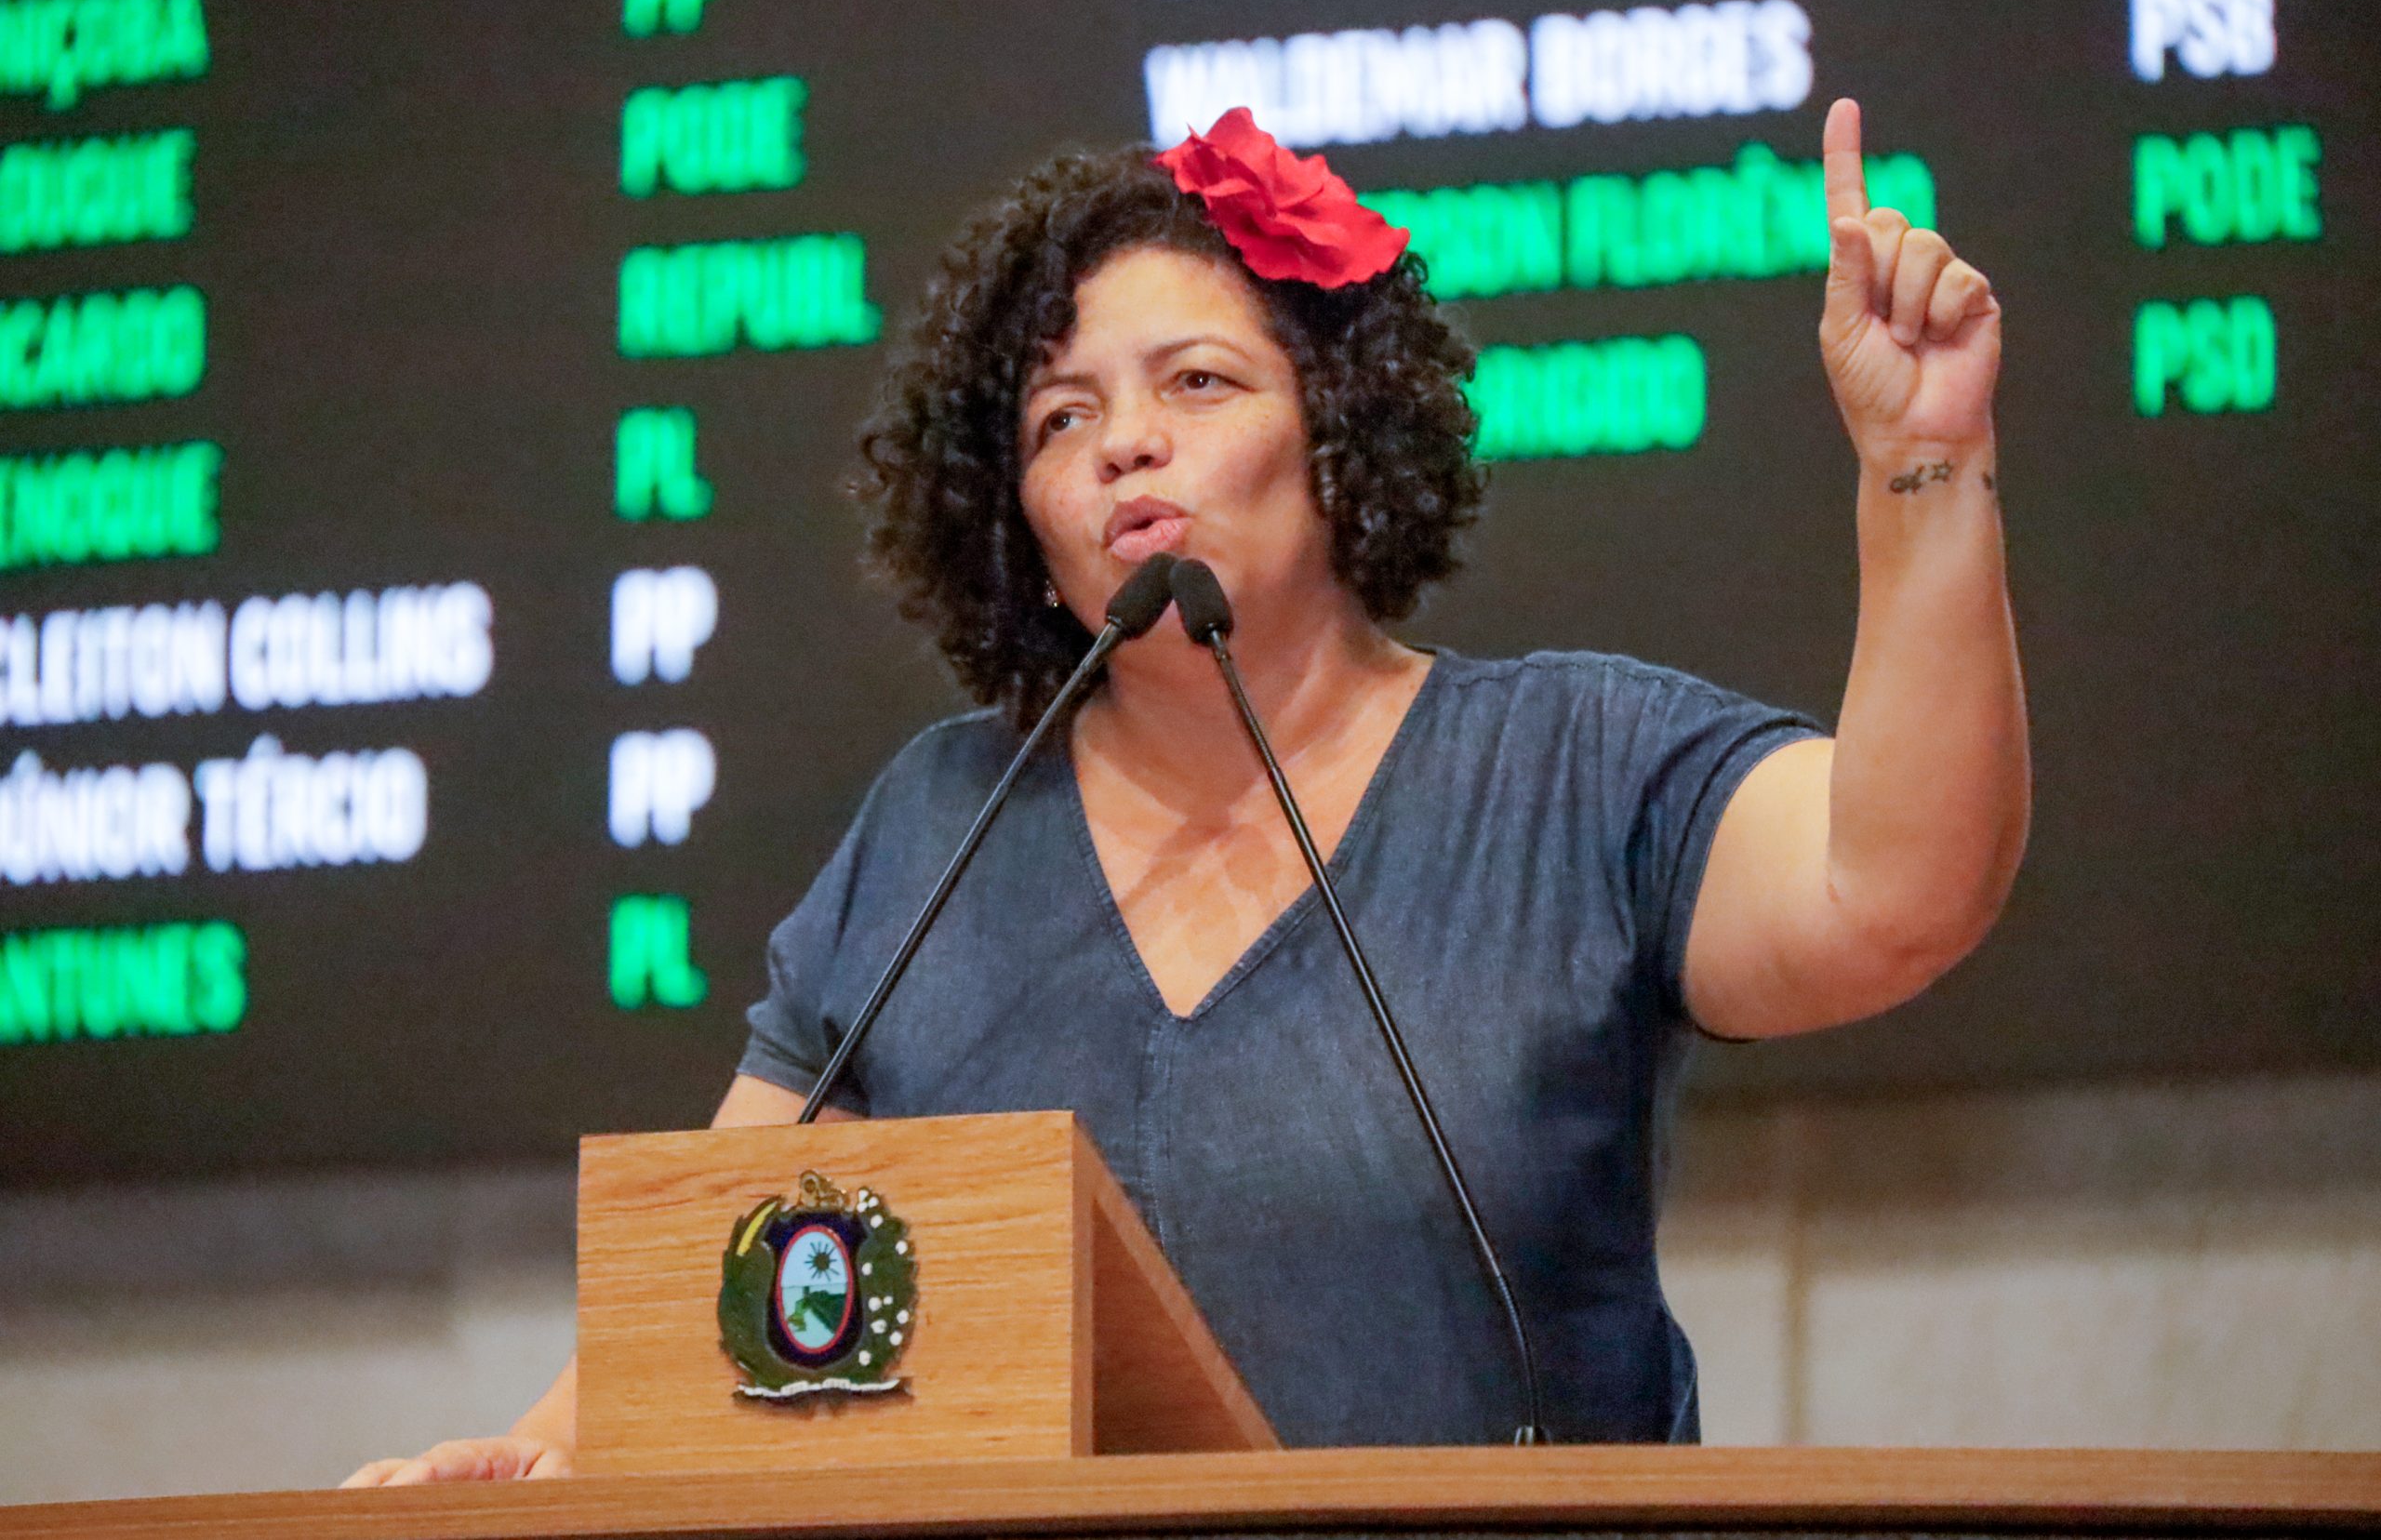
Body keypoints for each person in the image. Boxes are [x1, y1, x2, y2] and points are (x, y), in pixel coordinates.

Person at [344, 98, 2026, 1483]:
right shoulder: (941, 830)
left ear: (1340, 433)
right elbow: (729, 1279)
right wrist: (530, 1459)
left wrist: (1924, 464)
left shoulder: (1571, 770)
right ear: (1019, 526)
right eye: (1060, 419)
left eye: (1196, 384)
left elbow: (1894, 891)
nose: (1123, 445)